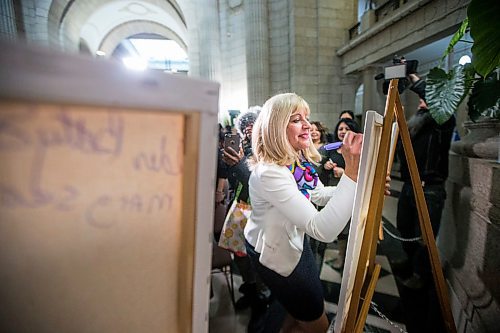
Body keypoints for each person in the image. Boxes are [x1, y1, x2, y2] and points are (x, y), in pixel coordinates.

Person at [244, 92, 364, 332]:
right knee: (316, 321)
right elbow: (323, 230)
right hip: (275, 254)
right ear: (276, 127)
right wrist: (352, 174)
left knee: (299, 309)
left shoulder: (296, 159)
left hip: (295, 244)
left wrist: (360, 184)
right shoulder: (270, 172)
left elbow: (318, 194)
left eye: (306, 118)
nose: (308, 125)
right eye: (297, 119)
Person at [395, 73, 455, 331]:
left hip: (429, 189)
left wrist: (412, 77)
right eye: (420, 100)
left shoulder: (443, 122)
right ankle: (411, 263)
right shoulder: (417, 126)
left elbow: (435, 100)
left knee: (423, 237)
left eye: (425, 100)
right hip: (410, 188)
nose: (421, 103)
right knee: (404, 229)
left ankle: (421, 275)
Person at [220, 106, 270, 317]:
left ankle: (260, 295)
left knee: (257, 255)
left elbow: (258, 184)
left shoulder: (268, 150)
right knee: (238, 251)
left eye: (253, 125)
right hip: (240, 205)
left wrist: (239, 164)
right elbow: (234, 178)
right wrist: (229, 163)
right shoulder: (244, 148)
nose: (249, 129)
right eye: (245, 126)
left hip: (260, 211)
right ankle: (250, 286)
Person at [315, 118, 362, 270]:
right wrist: (326, 164)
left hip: (351, 190)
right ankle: (341, 257)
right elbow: (321, 162)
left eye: (347, 128)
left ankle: (349, 260)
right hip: (332, 189)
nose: (343, 131)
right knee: (338, 225)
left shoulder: (358, 150)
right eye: (340, 129)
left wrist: (344, 173)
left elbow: (362, 172)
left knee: (349, 227)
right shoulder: (332, 147)